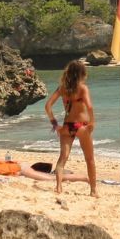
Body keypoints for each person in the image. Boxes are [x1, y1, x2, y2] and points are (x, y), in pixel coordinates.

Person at [43, 60, 97, 196]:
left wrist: (55, 124)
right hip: (81, 126)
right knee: (89, 159)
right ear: (82, 73)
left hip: (67, 127)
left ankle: (59, 187)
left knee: (63, 157)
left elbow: (48, 106)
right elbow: (89, 107)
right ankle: (93, 190)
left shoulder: (62, 88)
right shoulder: (83, 88)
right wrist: (92, 123)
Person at [0, 142, 89, 183]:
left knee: (51, 179)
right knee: (50, 177)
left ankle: (83, 178)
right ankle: (77, 176)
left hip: (22, 169)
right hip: (21, 168)